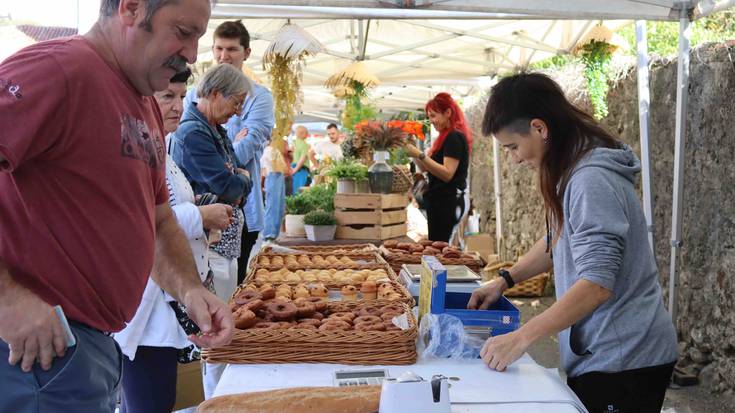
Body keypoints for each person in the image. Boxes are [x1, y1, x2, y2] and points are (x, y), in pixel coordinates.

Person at [0, 1, 234, 412]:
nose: (193, 54)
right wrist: (8, 300)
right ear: (130, 8)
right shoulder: (59, 70)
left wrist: (191, 291)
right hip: (34, 351)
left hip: (88, 350)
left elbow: (159, 222)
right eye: (182, 32)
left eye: (198, 36)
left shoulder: (141, 101)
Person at [470, 73, 678, 413]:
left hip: (624, 360)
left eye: (513, 147)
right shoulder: (572, 168)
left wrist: (522, 337)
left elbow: (597, 284)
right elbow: (557, 239)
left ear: (539, 128)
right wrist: (505, 280)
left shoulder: (589, 180)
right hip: (606, 355)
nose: (515, 159)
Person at [114, 69, 233, 413]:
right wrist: (200, 217)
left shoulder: (160, 149)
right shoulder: (135, 150)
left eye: (182, 96)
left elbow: (166, 211)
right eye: (168, 96)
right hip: (148, 310)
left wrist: (199, 214)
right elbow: (141, 219)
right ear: (144, 98)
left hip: (170, 302)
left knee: (161, 398)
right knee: (148, 399)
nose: (178, 106)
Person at [170, 63, 253, 401]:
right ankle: (216, 399)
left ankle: (220, 394)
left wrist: (239, 177)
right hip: (209, 244)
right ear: (215, 93)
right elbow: (229, 185)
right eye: (235, 102)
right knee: (215, 322)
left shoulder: (213, 129)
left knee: (223, 312)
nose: (237, 112)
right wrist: (238, 178)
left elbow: (239, 176)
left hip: (222, 244)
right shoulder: (193, 132)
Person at [185, 20, 274, 285]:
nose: (224, 56)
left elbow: (252, 141)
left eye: (232, 49)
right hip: (203, 211)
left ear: (246, 52)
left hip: (242, 207)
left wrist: (226, 158)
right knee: (209, 285)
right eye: (219, 49)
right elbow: (224, 164)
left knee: (235, 283)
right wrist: (228, 160)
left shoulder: (259, 96)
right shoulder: (193, 96)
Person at [403, 92, 473, 243]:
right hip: (440, 202)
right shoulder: (444, 137)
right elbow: (426, 169)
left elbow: (447, 174)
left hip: (448, 203)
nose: (431, 121)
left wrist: (420, 155)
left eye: (433, 116)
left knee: (440, 248)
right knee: (438, 245)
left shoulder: (454, 137)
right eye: (429, 117)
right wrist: (414, 152)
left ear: (448, 113)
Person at [260, 141, 289, 241]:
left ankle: (273, 235)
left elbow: (285, 168)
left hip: (278, 176)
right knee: (272, 206)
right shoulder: (269, 150)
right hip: (273, 176)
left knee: (279, 207)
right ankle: (268, 234)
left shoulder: (275, 150)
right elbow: (272, 166)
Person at [291, 125, 313, 194]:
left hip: (292, 168)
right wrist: (295, 170)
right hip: (301, 170)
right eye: (307, 133)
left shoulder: (293, 143)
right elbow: (302, 159)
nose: (307, 134)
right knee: (300, 191)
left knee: (293, 190)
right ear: (303, 134)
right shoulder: (304, 145)